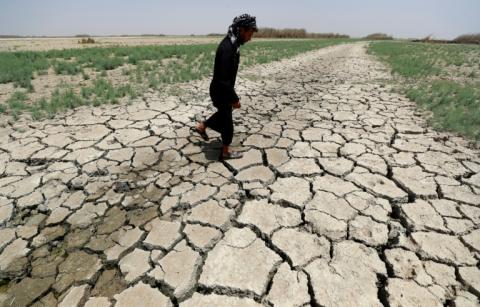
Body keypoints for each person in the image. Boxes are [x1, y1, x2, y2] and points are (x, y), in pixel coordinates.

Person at [193, 14, 258, 160]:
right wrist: (234, 99)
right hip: (221, 90)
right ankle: (225, 152)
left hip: (222, 89)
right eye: (250, 33)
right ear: (241, 29)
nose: (250, 37)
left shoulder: (232, 43)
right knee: (227, 123)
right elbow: (223, 79)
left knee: (224, 115)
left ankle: (202, 126)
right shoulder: (228, 47)